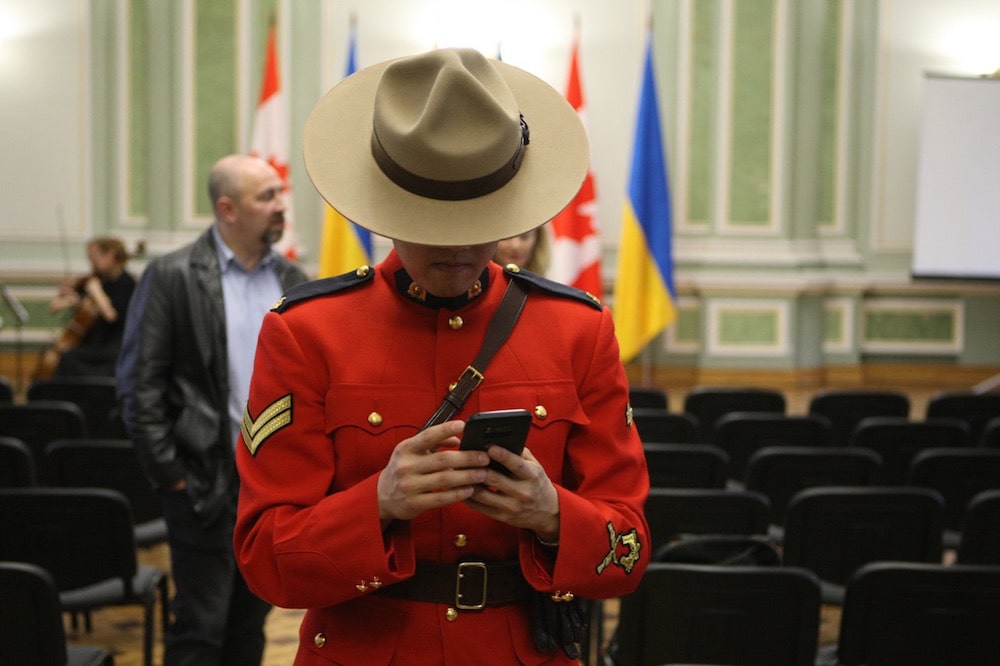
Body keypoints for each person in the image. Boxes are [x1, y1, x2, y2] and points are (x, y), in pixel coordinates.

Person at [234, 48, 650, 665]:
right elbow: (265, 561)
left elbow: (630, 549)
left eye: (478, 220)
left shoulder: (576, 329)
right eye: (429, 221)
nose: (456, 246)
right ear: (384, 208)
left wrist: (555, 514)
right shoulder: (307, 331)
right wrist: (375, 503)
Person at [117, 154, 309, 665]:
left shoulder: (292, 277)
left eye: (279, 193)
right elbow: (140, 386)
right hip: (202, 480)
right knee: (200, 626)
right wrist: (171, 475)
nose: (280, 205)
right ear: (227, 208)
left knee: (250, 624)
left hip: (273, 486)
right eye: (266, 196)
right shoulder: (173, 275)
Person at [42, 236, 135, 377]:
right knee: (62, 354)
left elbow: (111, 316)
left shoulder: (127, 283)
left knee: (68, 358)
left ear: (110, 255)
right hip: (90, 343)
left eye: (94, 257)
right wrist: (67, 298)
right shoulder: (95, 280)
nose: (91, 262)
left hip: (112, 347)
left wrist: (97, 293)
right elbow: (54, 307)